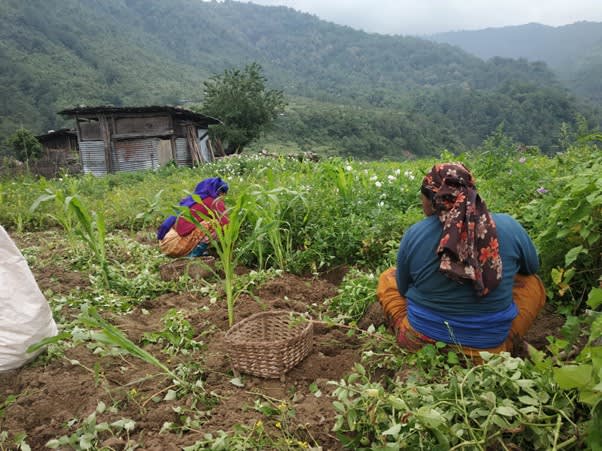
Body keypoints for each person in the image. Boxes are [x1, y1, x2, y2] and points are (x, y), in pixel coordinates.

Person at [376, 162, 545, 360]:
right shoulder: (509, 226)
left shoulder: (415, 233)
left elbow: (403, 290)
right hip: (487, 353)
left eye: (422, 197)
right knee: (533, 284)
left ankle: (414, 334)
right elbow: (531, 268)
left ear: (433, 199)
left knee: (389, 277)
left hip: (421, 342)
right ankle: (506, 342)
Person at [157, 177, 229, 258]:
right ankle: (193, 254)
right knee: (214, 224)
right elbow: (226, 223)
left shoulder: (192, 200)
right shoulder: (214, 201)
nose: (224, 196)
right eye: (224, 193)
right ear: (219, 192)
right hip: (175, 245)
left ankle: (197, 250)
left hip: (165, 242)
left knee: (205, 223)